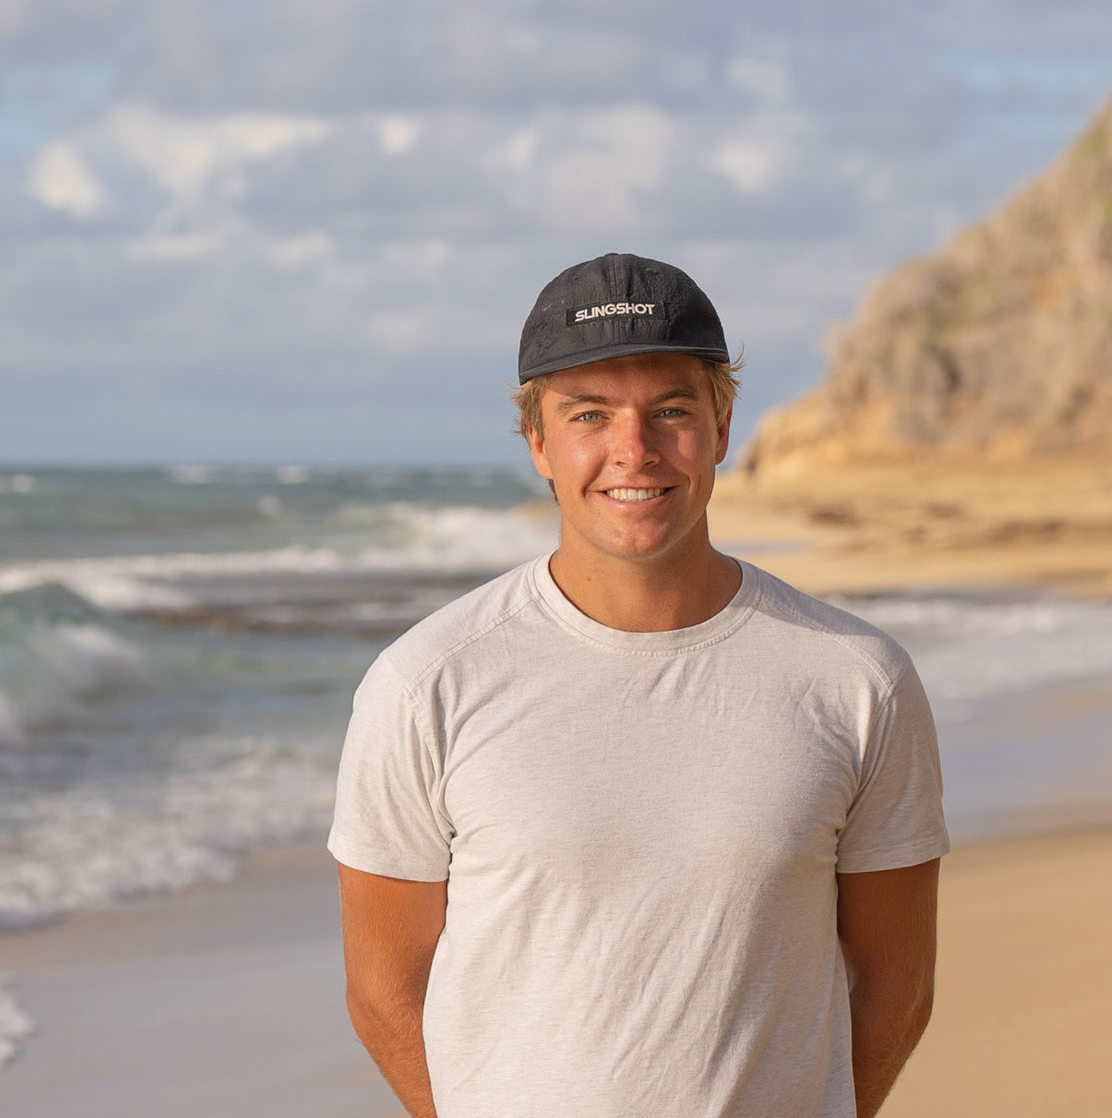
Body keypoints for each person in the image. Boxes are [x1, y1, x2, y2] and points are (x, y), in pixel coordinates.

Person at [328, 252, 949, 1118]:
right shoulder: (425, 684)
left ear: (721, 429)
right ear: (538, 443)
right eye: (590, 414)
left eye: (671, 411)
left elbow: (896, 988)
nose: (634, 451)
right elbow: (384, 995)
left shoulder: (857, 681)